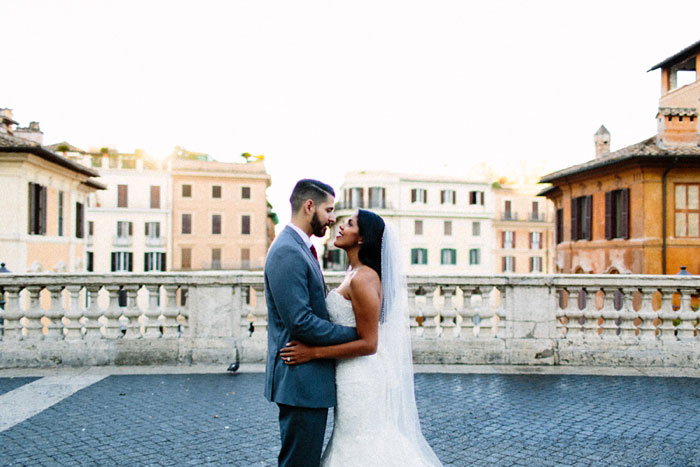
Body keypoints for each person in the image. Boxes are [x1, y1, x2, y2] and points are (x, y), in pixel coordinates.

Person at [280, 209, 442, 466]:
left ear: (362, 238)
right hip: (348, 373)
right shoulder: (352, 273)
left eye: (350, 224)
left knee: (362, 443)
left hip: (362, 377)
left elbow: (369, 343)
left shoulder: (364, 278)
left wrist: (312, 353)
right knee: (350, 440)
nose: (341, 226)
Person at [264, 179, 358, 467]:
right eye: (329, 210)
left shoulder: (299, 247)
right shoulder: (287, 252)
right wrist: (355, 336)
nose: (333, 218)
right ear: (309, 207)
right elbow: (301, 323)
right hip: (300, 382)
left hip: (307, 382)